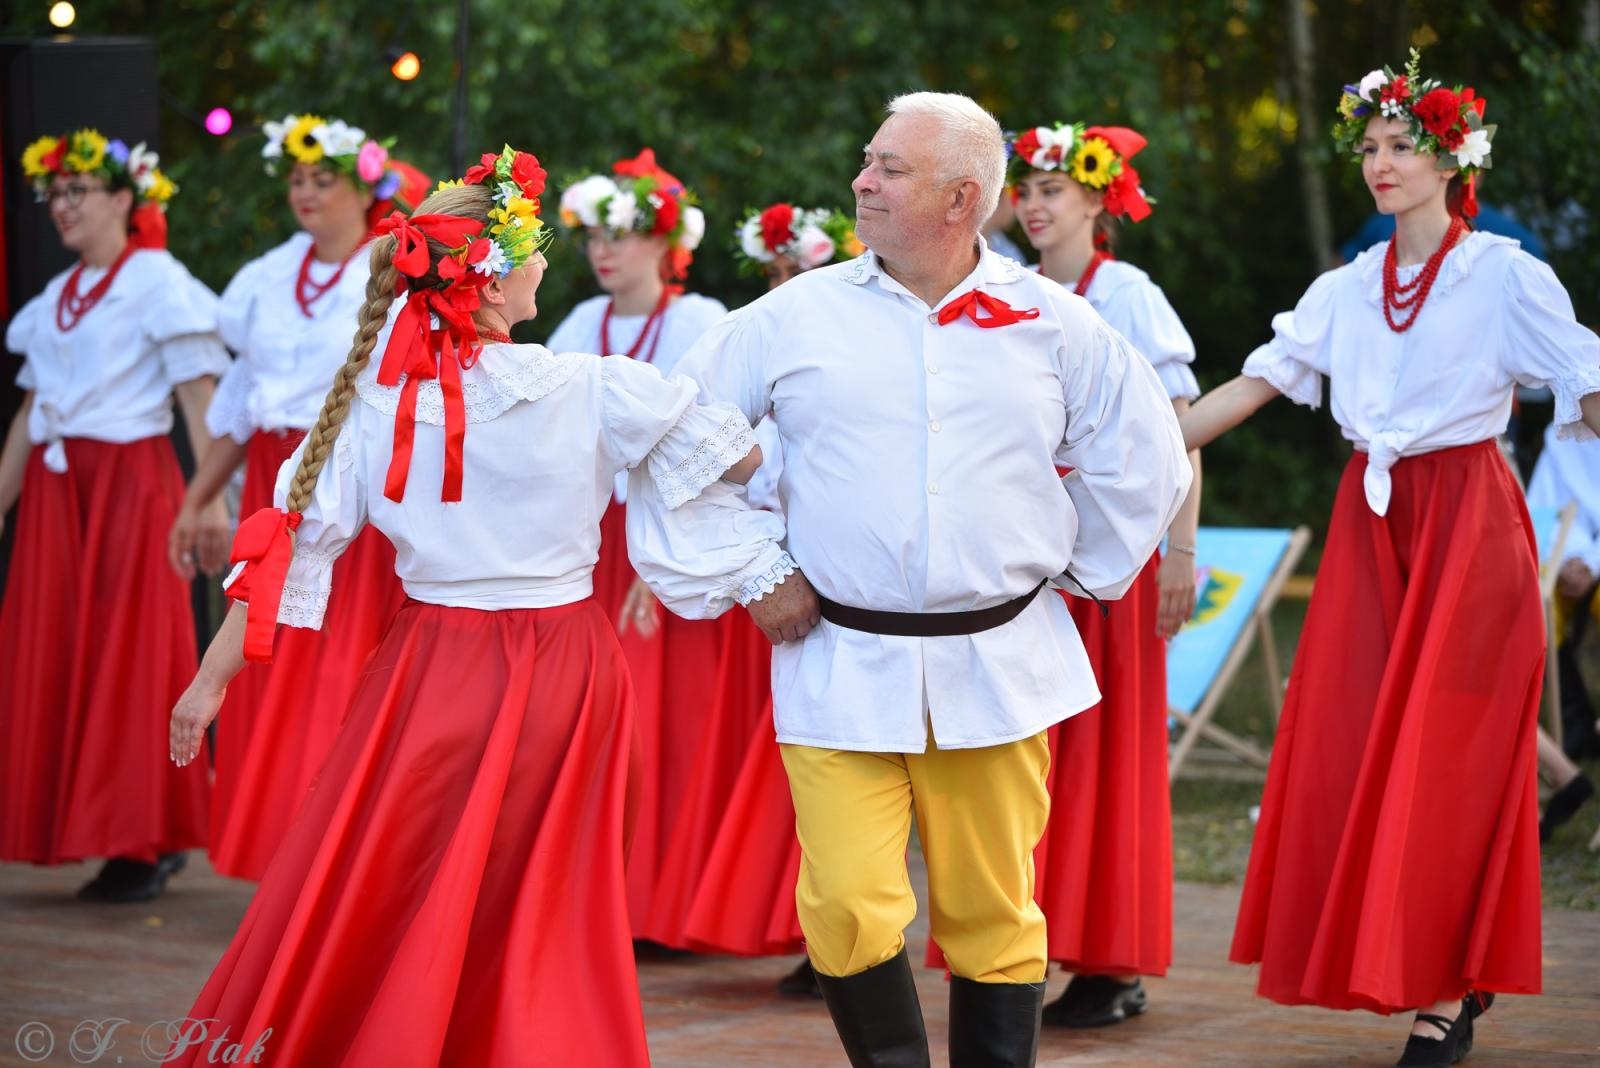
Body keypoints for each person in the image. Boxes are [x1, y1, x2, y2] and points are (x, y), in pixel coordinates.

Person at [165, 147, 775, 1066]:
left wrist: (206, 686)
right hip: (567, 669)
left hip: (430, 670)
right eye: (529, 249)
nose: (543, 263)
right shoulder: (596, 387)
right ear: (491, 283)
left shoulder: (375, 405)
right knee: (545, 893)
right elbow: (740, 458)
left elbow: (283, 550)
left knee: (408, 873)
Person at [629, 91, 1191, 1066]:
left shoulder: (1051, 323)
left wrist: (1071, 576)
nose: (861, 180)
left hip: (997, 668)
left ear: (961, 198)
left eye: (888, 167)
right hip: (836, 657)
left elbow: (1144, 459)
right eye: (867, 159)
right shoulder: (793, 317)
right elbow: (671, 445)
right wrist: (754, 571)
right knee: (845, 903)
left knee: (989, 908)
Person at [1178, 53, 1600, 1066]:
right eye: (1367, 145)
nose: (1378, 160)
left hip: (1469, 524)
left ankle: (1446, 994)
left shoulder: (1502, 274)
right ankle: (1432, 964)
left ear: (1452, 159)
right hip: (1372, 525)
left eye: (1400, 144)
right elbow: (1251, 387)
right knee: (1355, 751)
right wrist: (1131, 446)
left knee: (1446, 761)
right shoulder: (1345, 288)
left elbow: (1587, 385)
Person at [170, 113, 424, 880]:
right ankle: (284, 853)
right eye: (297, 180)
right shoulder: (266, 277)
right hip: (276, 474)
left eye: (324, 179)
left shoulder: (390, 267)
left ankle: (340, 857)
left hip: (354, 486)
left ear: (365, 187)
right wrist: (199, 499)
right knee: (268, 664)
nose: (307, 193)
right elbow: (240, 402)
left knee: (338, 670)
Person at [1004, 118, 1202, 1027]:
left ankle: (1111, 958)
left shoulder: (1127, 294)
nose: (1034, 205)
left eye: (1052, 189)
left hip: (1111, 562)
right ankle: (1028, 944)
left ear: (1097, 195)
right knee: (1030, 754)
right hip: (1027, 558)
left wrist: (1179, 551)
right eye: (1027, 189)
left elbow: (1176, 433)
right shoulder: (1005, 288)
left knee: (1108, 752)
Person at [0, 130, 226, 902]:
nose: (61, 207)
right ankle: (91, 830)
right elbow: (32, 416)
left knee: (133, 655)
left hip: (133, 486)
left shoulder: (158, 282)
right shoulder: (55, 300)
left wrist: (208, 505)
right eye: (53, 194)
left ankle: (144, 839)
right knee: (66, 651)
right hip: (62, 501)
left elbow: (199, 400)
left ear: (124, 200)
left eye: (77, 192)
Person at [549, 149, 740, 940]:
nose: (604, 249)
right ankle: (607, 902)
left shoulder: (701, 322)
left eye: (623, 234)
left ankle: (666, 906)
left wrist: (666, 547)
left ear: (664, 244)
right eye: (595, 233)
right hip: (595, 545)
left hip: (676, 538)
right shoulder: (576, 326)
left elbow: (721, 436)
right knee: (596, 726)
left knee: (672, 726)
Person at [675, 201, 864, 995]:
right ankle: (812, 930)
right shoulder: (758, 343)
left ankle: (845, 939)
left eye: (798, 269)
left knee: (843, 756)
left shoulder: (853, 342)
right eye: (775, 271)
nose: (784, 283)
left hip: (841, 572)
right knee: (795, 761)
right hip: (770, 567)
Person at [1526, 422, 1600, 834]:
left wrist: (1592, 561)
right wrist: (1570, 557)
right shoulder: (1560, 434)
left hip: (1594, 562)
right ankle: (1575, 722)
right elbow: (1542, 509)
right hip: (1565, 560)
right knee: (1537, 615)